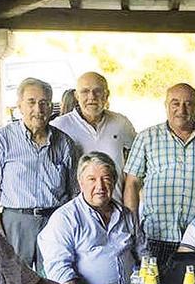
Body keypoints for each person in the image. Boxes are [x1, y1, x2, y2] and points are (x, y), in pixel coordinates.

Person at [123, 83, 195, 266]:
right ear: (166, 105)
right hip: (155, 237)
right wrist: (132, 227)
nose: (181, 109)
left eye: (188, 104)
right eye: (175, 103)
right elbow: (132, 183)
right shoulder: (147, 138)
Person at [0, 77, 79, 284]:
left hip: (54, 221)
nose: (39, 109)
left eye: (44, 103)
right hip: (16, 222)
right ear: (19, 106)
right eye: (31, 102)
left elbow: (73, 191)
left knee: (55, 282)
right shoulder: (2, 139)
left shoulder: (64, 143)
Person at [39, 152, 146, 284]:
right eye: (92, 179)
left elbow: (144, 256)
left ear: (114, 182)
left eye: (106, 179)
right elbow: (60, 272)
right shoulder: (65, 219)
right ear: (80, 182)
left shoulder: (126, 215)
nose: (100, 186)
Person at [51, 72, 137, 200]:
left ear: (106, 94)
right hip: (78, 213)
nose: (92, 97)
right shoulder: (59, 126)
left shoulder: (121, 123)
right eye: (85, 91)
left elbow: (136, 163)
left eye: (97, 91)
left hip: (116, 208)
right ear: (76, 96)